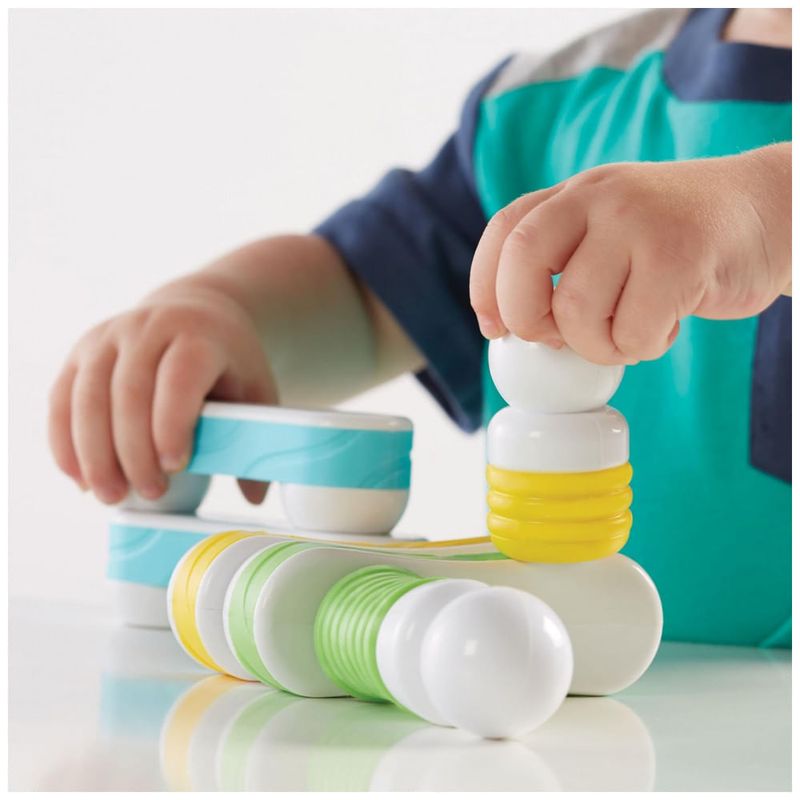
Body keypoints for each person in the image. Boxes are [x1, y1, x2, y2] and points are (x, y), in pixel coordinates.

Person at [48, 8, 791, 646]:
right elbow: (369, 290)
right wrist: (224, 313)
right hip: (581, 717)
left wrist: (767, 209)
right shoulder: (545, 108)